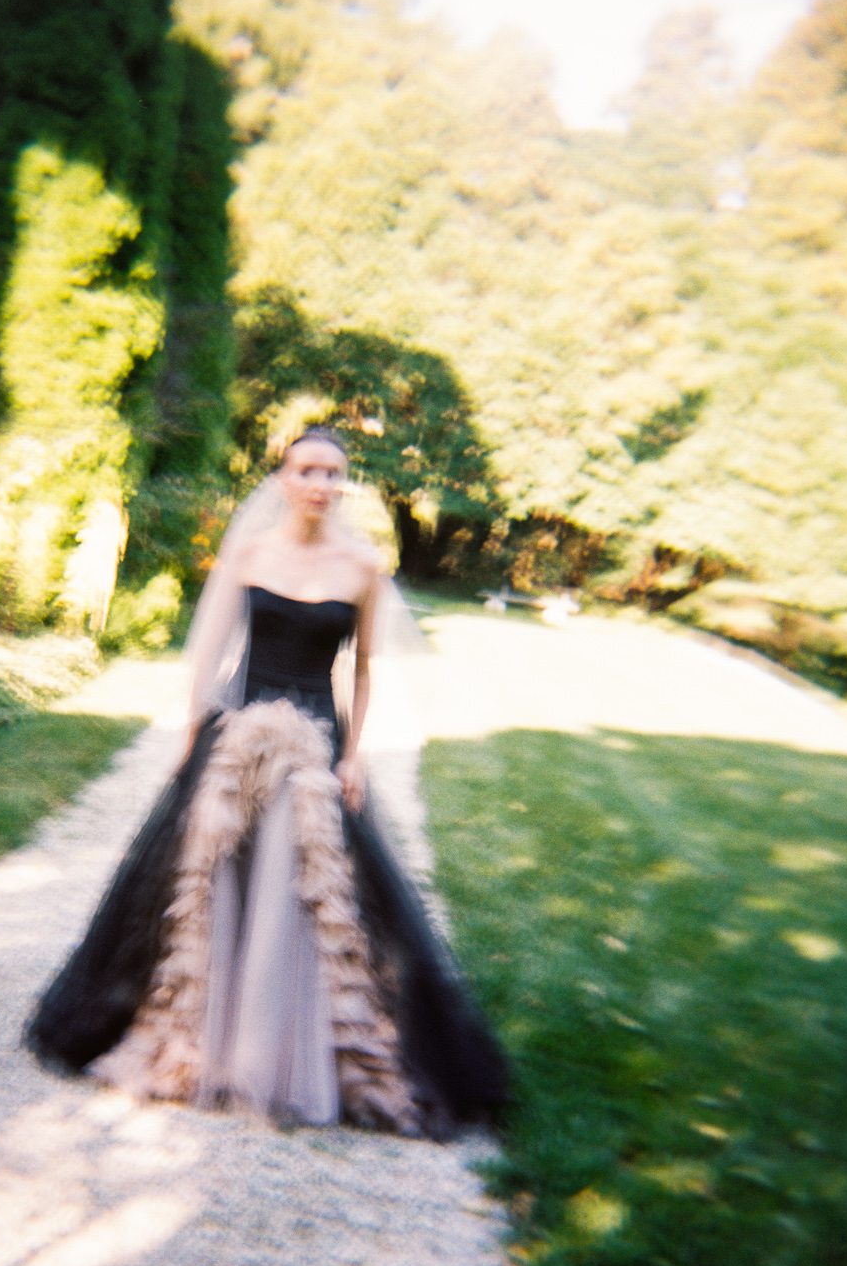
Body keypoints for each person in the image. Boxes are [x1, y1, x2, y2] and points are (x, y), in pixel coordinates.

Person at [26, 427, 508, 1137]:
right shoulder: (249, 553)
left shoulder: (362, 568)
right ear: (283, 478)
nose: (320, 484)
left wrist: (353, 756)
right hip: (238, 738)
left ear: (342, 485)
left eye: (333, 473)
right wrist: (192, 732)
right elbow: (212, 650)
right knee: (214, 879)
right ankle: (203, 1040)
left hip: (315, 747)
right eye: (307, 470)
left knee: (307, 888)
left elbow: (361, 670)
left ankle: (288, 1049)